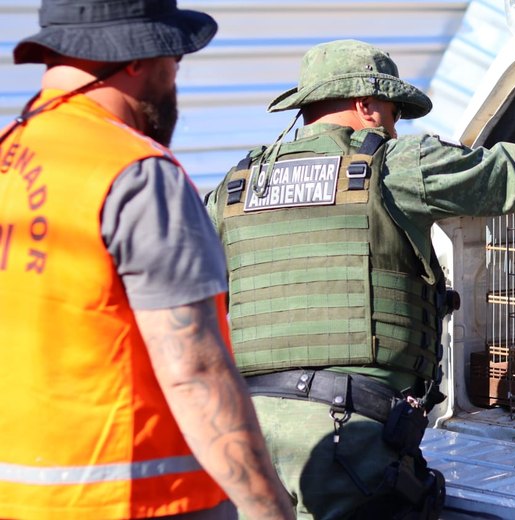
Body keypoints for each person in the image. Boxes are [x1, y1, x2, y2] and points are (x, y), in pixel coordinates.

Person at [204, 39, 515, 519]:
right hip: (347, 433)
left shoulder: (236, 187)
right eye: (391, 113)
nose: (394, 126)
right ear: (366, 106)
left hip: (248, 436)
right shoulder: (395, 166)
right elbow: (512, 173)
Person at [0, 1, 295, 519]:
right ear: (138, 57)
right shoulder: (134, 174)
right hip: (139, 501)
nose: (175, 77)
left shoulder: (9, 155)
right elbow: (195, 370)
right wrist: (269, 507)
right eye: (175, 61)